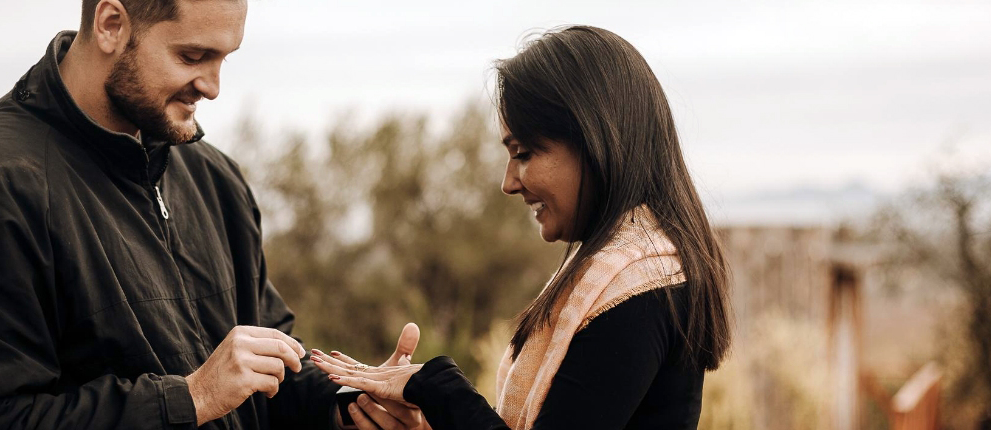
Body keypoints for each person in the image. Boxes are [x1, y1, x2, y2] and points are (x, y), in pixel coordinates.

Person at [0, 0, 423, 428]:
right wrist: (189, 398)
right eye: (193, 57)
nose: (213, 87)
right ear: (111, 24)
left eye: (224, 59)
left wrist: (349, 407)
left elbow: (270, 370)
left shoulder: (215, 179)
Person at [311, 25, 734, 430]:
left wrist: (435, 386)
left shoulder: (639, 291)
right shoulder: (628, 278)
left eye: (525, 152)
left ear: (595, 143)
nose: (509, 182)